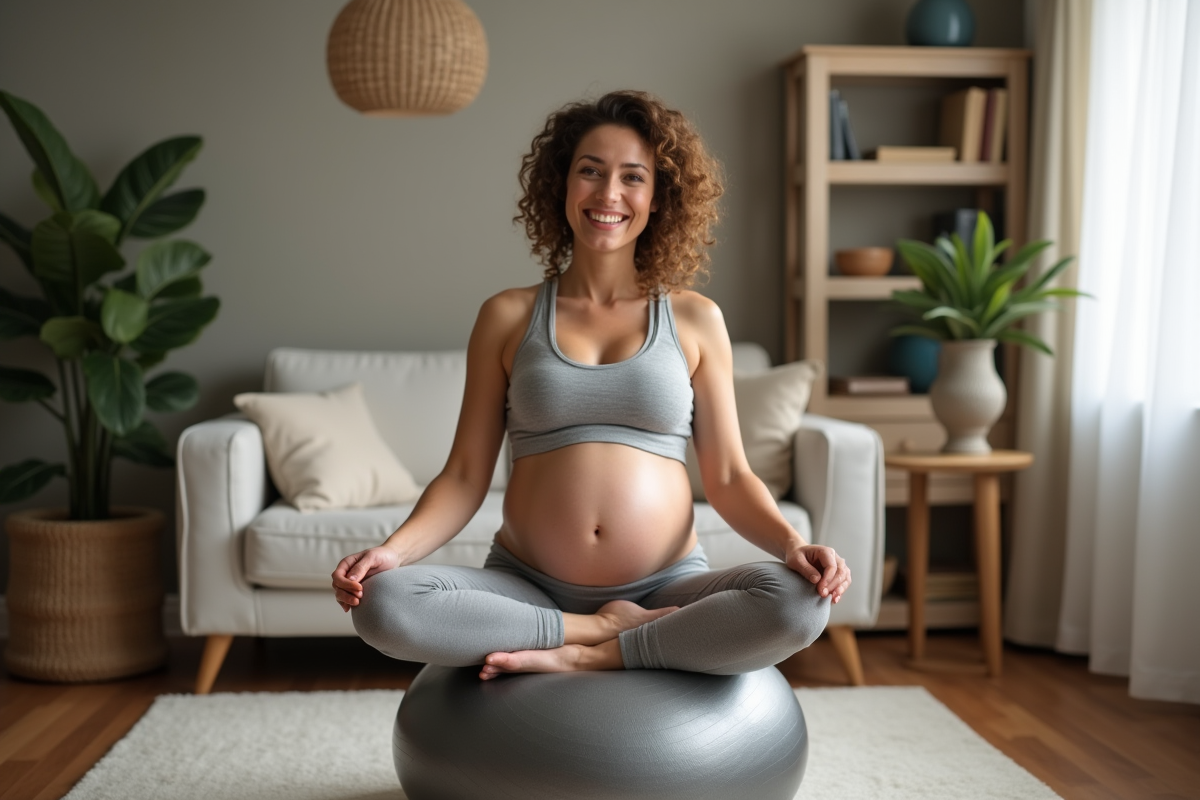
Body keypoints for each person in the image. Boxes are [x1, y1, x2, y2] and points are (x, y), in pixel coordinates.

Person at [331, 90, 850, 681]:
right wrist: (392, 552)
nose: (609, 194)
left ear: (659, 198)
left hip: (667, 587)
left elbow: (729, 477)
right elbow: (465, 476)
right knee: (384, 603)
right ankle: (596, 630)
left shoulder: (695, 319)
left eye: (633, 177)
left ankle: (593, 653)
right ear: (562, 184)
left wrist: (792, 545)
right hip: (525, 586)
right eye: (591, 171)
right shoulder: (506, 315)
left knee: (800, 602)